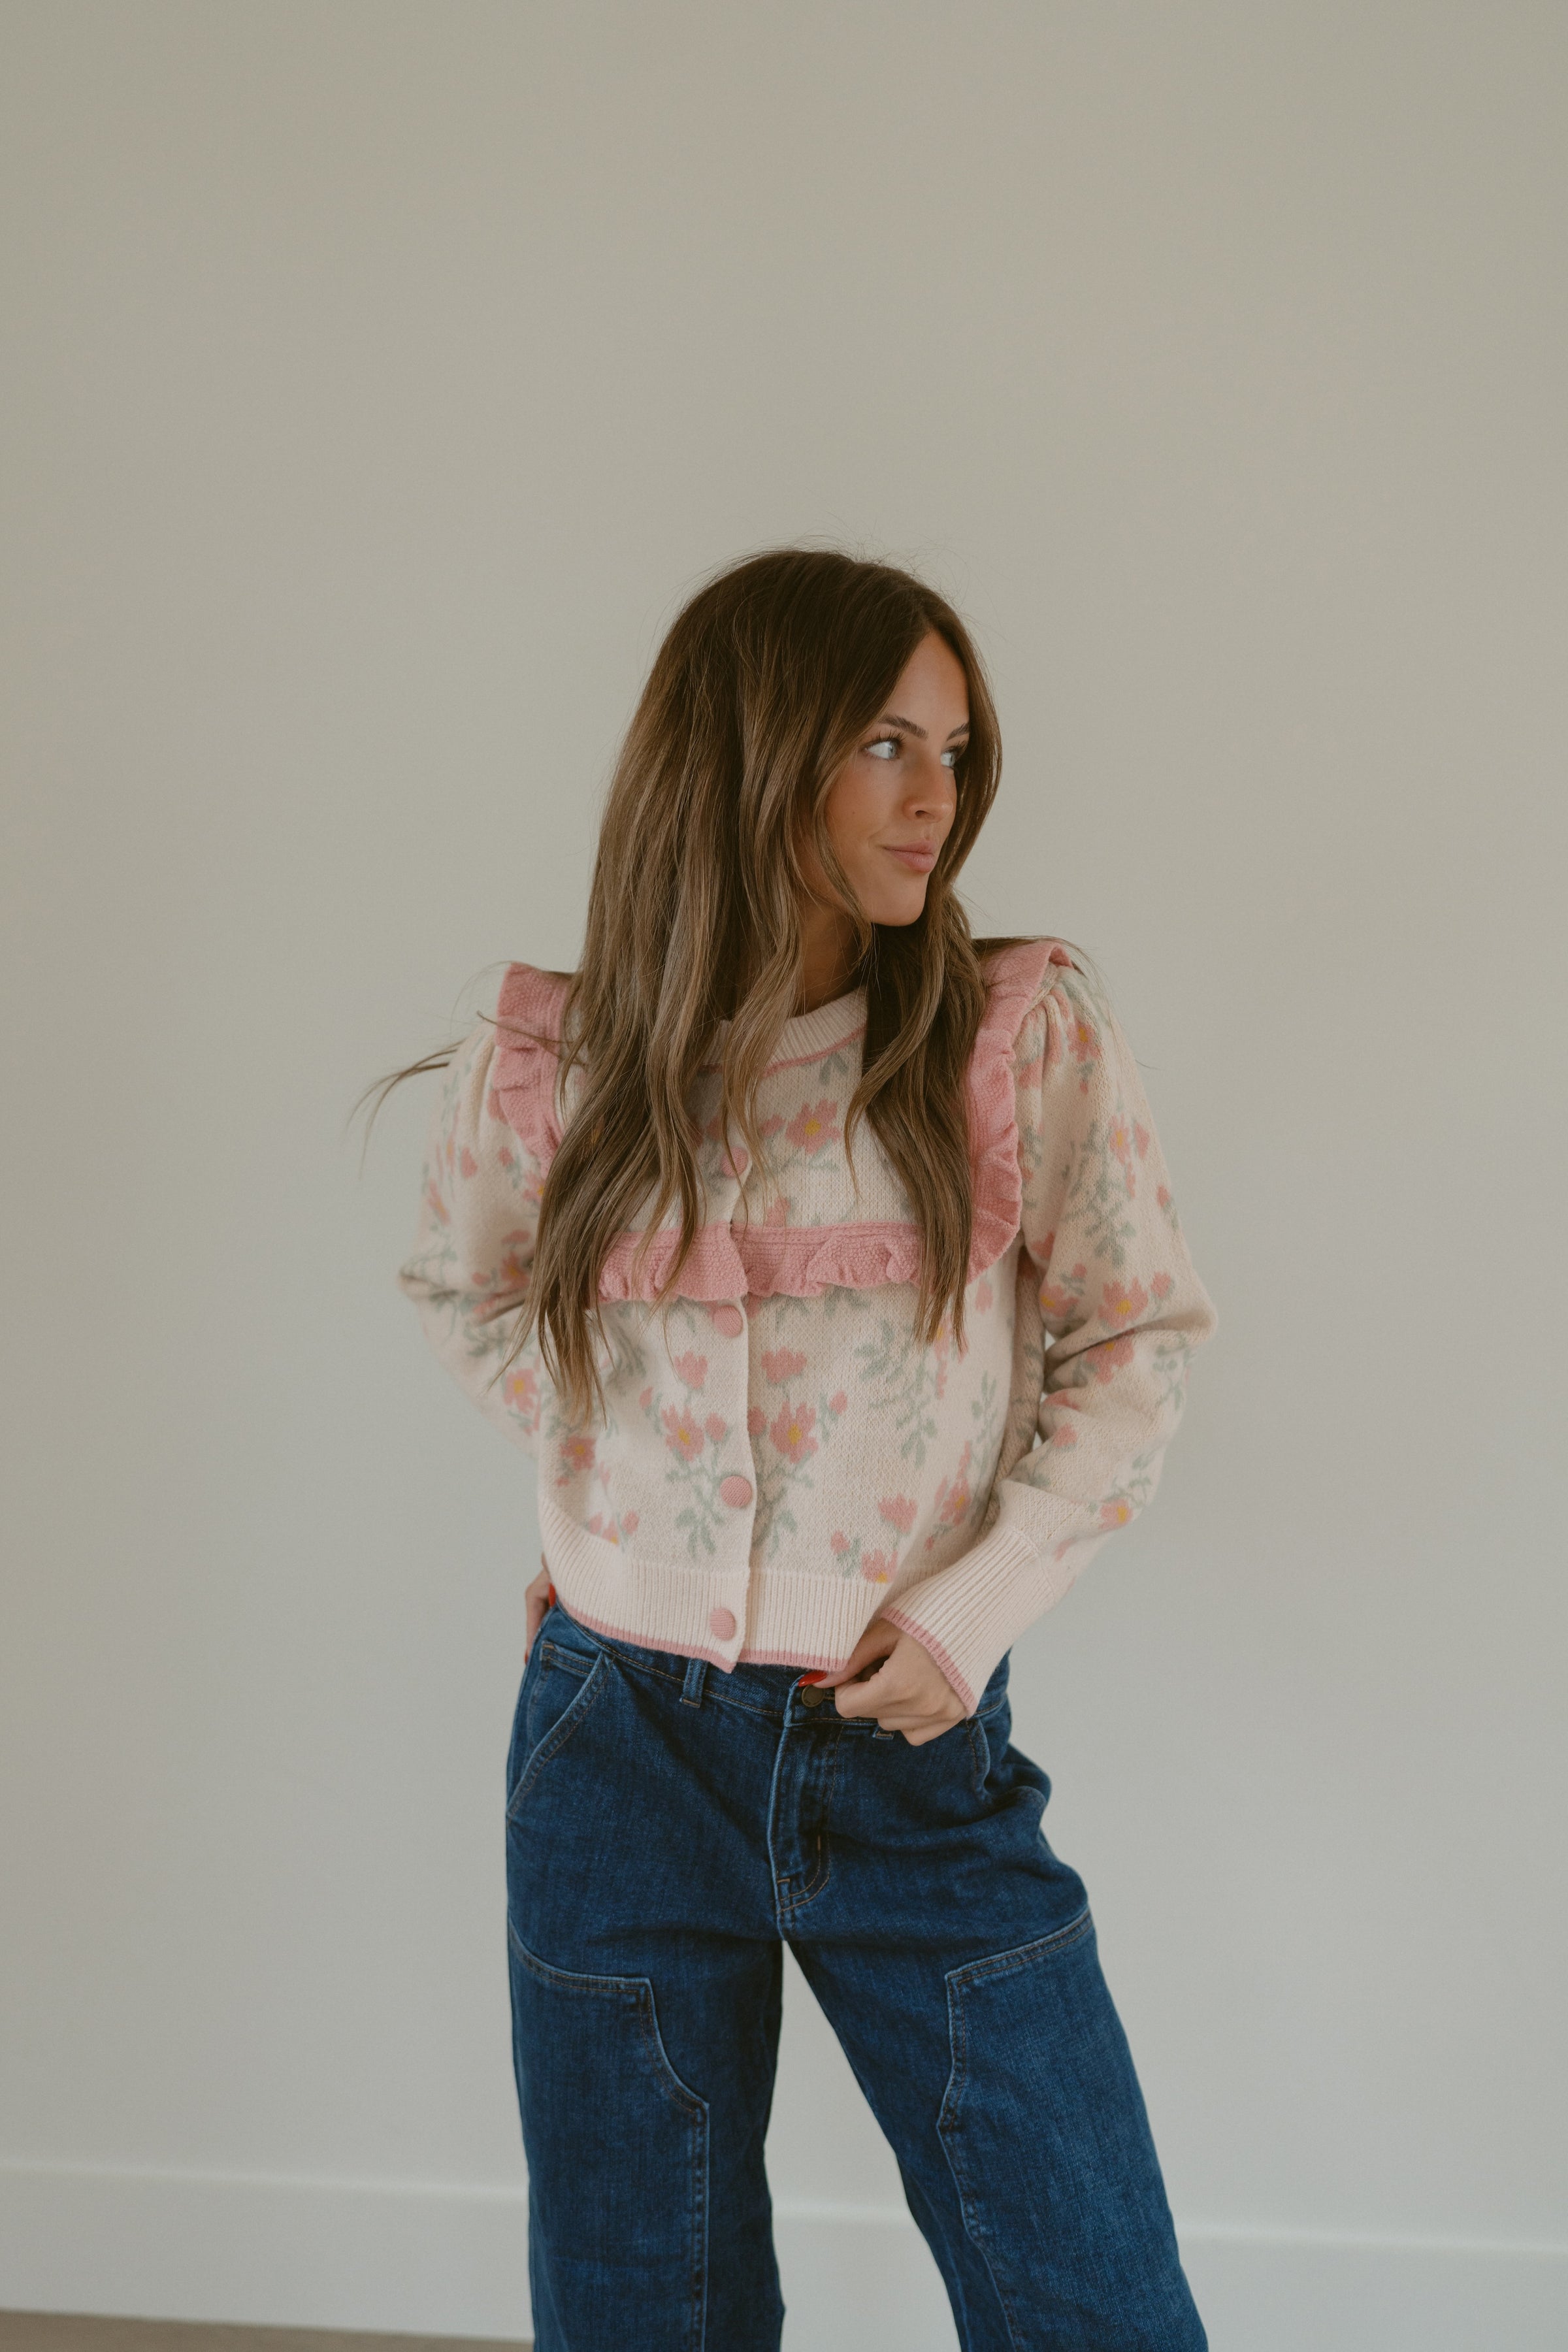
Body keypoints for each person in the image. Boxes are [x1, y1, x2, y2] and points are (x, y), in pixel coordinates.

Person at [389, 547, 1217, 2350]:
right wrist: (628, 1517)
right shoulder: (551, 1064)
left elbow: (1135, 1340)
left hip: (909, 1752)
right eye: (885, 744)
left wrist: (973, 1609)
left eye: (955, 750)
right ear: (750, 755)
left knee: (1093, 2299)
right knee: (644, 2308)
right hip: (613, 1747)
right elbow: (475, 1294)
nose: (939, 798)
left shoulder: (1018, 1038)